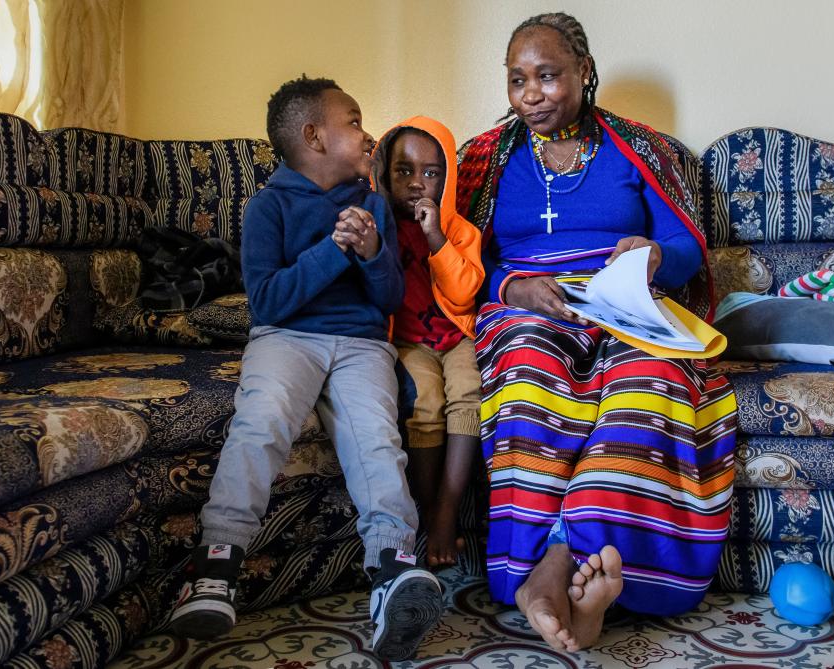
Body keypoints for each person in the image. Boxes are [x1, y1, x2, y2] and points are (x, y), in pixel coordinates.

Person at [456, 13, 738, 652]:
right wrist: (512, 288)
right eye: (517, 80)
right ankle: (567, 573)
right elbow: (463, 256)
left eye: (548, 76)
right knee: (530, 372)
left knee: (652, 381)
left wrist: (656, 259)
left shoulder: (638, 148)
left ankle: (557, 570)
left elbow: (685, 246)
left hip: (624, 300)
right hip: (529, 305)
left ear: (584, 74)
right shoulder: (485, 158)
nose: (531, 94)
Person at [169, 76, 443, 662]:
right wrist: (334, 250)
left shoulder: (372, 204)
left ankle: (392, 570)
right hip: (285, 337)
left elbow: (390, 297)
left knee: (376, 439)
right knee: (261, 421)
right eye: (354, 120)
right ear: (314, 136)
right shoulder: (268, 206)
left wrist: (371, 253)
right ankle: (216, 564)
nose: (368, 134)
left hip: (362, 343)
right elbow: (267, 300)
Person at [369, 117, 484, 567]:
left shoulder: (461, 231)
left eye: (432, 173)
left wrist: (436, 235)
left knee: (469, 392)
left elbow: (463, 293)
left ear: (448, 178)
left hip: (457, 336)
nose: (418, 183)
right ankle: (426, 505)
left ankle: (447, 510)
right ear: (383, 172)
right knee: (426, 402)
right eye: (404, 171)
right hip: (409, 342)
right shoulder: (380, 227)